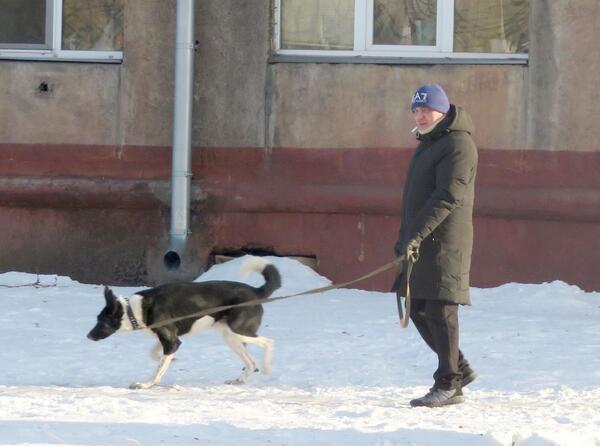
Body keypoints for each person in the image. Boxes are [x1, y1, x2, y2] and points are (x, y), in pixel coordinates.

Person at [393, 83, 478, 408]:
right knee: (415, 306)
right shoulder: (429, 143)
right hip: (421, 239)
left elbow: (447, 196)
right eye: (416, 110)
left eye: (426, 109)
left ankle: (449, 383)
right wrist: (406, 237)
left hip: (445, 241)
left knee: (442, 309)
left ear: (443, 110)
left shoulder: (458, 144)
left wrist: (414, 234)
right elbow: (416, 199)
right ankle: (460, 368)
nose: (421, 115)